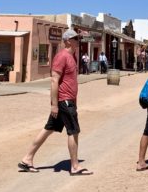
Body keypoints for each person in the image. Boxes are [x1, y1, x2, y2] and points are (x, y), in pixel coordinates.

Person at [18, 29, 93, 176]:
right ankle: (75, 166)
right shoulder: (62, 56)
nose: (78, 40)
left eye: (78, 38)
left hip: (67, 101)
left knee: (48, 129)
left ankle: (27, 159)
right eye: (76, 38)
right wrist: (54, 104)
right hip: (64, 101)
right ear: (67, 41)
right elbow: (54, 80)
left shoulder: (73, 57)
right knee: (73, 131)